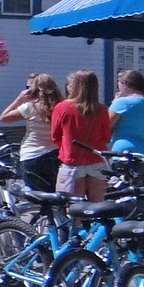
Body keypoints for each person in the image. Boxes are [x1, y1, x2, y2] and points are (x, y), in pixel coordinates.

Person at [51, 69, 112, 203]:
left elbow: (55, 136)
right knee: (99, 207)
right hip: (97, 160)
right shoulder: (102, 109)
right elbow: (106, 136)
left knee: (74, 208)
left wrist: (66, 147)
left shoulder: (62, 108)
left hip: (72, 161)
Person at [0, 72, 63, 192]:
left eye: (28, 88)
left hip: (32, 154)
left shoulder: (29, 107)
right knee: (54, 194)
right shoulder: (61, 106)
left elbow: (4, 118)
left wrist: (19, 99)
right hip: (55, 154)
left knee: (36, 196)